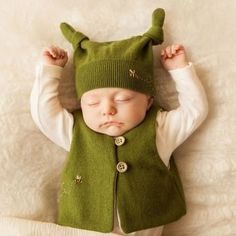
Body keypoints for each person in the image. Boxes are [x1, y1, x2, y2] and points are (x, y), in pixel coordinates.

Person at [30, 8, 208, 236]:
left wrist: (180, 71)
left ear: (148, 101)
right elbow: (44, 113)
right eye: (93, 103)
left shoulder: (159, 129)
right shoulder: (76, 131)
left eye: (123, 99)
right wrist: (49, 71)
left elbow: (195, 110)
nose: (108, 110)